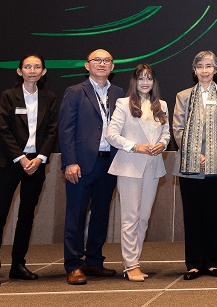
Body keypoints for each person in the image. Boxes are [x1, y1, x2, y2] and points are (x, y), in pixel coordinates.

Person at [0, 54, 59, 287]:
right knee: (0, 214)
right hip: (11, 163)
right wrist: (21, 158)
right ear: (20, 71)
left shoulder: (50, 97)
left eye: (37, 67)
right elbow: (3, 129)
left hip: (37, 164)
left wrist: (40, 158)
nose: (32, 70)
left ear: (44, 72)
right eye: (28, 66)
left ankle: (18, 264)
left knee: (26, 215)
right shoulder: (8, 96)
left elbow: (52, 131)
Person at [58, 49, 125, 285]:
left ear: (112, 66)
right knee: (75, 215)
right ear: (87, 66)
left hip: (110, 162)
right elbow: (65, 130)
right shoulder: (75, 92)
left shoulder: (119, 93)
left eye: (106, 60)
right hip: (82, 163)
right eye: (96, 60)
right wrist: (70, 161)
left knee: (101, 213)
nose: (101, 64)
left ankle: (94, 261)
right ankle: (74, 265)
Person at [172, 51, 217, 280]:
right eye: (200, 66)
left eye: (209, 66)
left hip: (216, 165)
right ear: (194, 70)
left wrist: (210, 154)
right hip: (189, 165)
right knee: (191, 214)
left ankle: (210, 263)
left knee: (210, 214)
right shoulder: (183, 96)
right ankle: (193, 264)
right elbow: (177, 129)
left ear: (215, 70)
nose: (204, 70)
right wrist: (194, 154)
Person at [106, 64, 170, 281]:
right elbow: (111, 135)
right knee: (130, 217)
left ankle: (134, 260)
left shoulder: (161, 105)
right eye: (141, 78)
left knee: (143, 218)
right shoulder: (124, 104)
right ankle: (130, 264)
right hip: (130, 167)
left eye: (149, 79)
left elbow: (166, 134)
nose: (145, 82)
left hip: (153, 166)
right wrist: (136, 147)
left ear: (154, 82)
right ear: (134, 81)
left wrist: (162, 144)